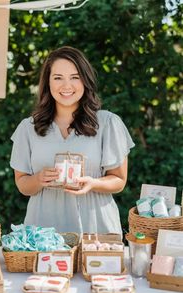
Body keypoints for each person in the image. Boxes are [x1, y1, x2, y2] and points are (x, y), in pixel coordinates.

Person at [10, 46, 135, 235]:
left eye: (75, 77)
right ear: (48, 82)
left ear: (85, 80)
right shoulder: (27, 128)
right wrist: (38, 179)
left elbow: (119, 180)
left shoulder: (108, 123)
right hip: (44, 233)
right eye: (58, 77)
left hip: (96, 230)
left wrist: (93, 183)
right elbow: (22, 185)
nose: (66, 86)